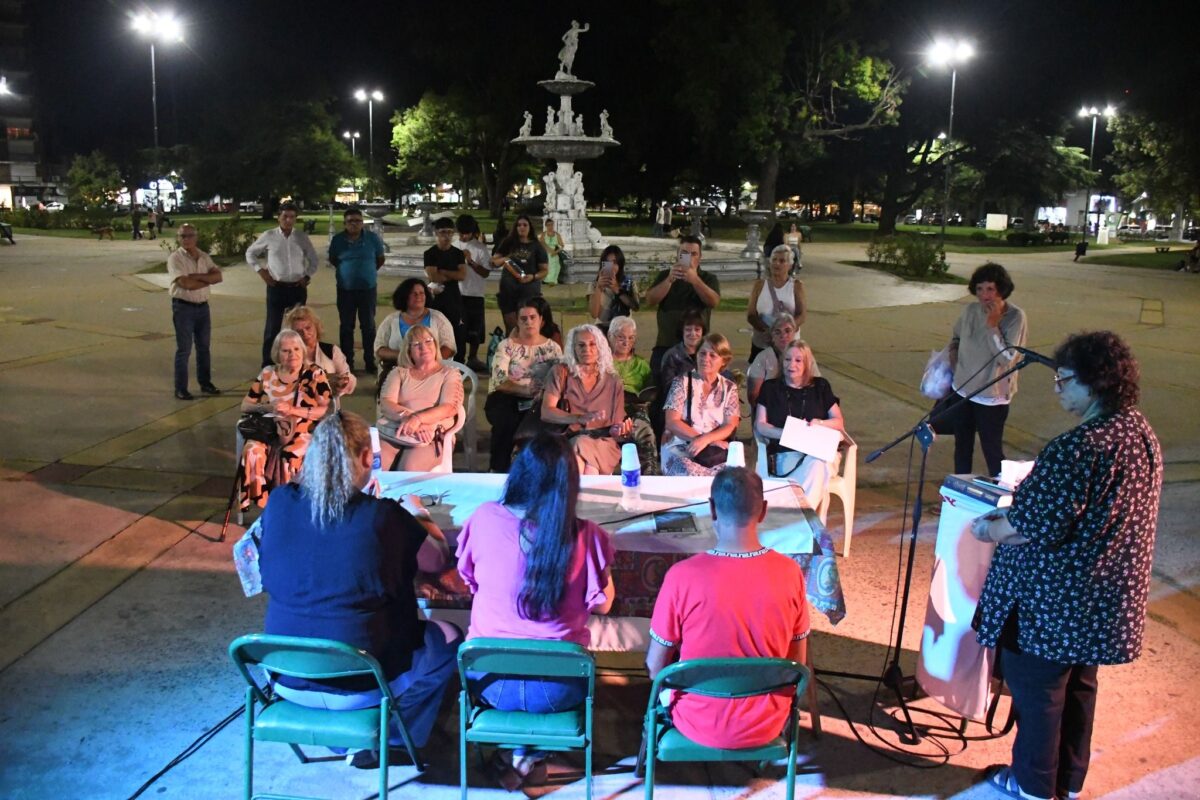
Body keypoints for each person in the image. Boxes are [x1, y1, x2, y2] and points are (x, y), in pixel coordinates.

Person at [970, 331, 1162, 800]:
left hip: (1052, 604)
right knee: (1078, 690)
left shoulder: (1079, 447)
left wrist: (989, 528)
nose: (1056, 388)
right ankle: (1067, 782)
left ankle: (1034, 786)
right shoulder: (1138, 431)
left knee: (1038, 697)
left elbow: (1036, 525)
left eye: (1064, 380)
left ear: (1095, 383)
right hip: (1100, 601)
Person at [259, 410, 462, 762]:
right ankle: (394, 740)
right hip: (362, 680)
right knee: (449, 638)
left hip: (284, 675)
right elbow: (436, 559)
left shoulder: (278, 503)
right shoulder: (381, 516)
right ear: (368, 458)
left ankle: (340, 735)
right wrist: (420, 515)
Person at [456, 432, 614, 788]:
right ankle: (530, 754)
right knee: (565, 675)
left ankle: (518, 752)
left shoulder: (483, 518)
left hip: (489, 681)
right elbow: (604, 603)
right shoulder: (587, 536)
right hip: (559, 688)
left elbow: (471, 582)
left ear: (518, 473)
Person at [645, 467, 810, 749]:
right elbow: (797, 665)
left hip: (697, 719)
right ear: (763, 511)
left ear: (712, 509)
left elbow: (654, 667)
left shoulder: (682, 576)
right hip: (767, 721)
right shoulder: (791, 573)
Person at [943, 263, 1028, 477]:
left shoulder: (1015, 317)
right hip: (962, 390)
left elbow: (1008, 358)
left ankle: (1002, 496)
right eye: (980, 289)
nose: (984, 295)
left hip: (991, 396)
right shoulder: (970, 310)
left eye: (990, 289)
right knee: (962, 446)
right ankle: (959, 492)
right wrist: (953, 353)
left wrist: (992, 325)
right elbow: (956, 337)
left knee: (991, 449)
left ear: (1001, 289)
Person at [239, 329, 333, 509]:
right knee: (252, 450)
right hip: (269, 429)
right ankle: (264, 503)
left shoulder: (314, 374)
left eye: (297, 349)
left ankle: (289, 505)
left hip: (302, 430)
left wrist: (293, 410)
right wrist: (267, 407)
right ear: (277, 353)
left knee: (289, 455)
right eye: (286, 351)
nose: (293, 355)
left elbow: (323, 409)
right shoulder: (267, 373)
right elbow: (245, 405)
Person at [754, 340, 845, 505]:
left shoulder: (821, 386)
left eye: (798, 360)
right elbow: (760, 425)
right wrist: (788, 434)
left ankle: (800, 518)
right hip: (787, 453)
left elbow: (838, 422)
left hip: (820, 452)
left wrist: (820, 423)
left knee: (817, 464)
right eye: (787, 359)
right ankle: (807, 519)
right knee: (816, 470)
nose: (791, 365)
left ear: (807, 363)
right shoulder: (771, 388)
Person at [540, 324, 632, 475]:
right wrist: (578, 418)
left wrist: (621, 430)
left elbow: (615, 428)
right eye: (581, 345)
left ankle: (576, 496)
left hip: (603, 443)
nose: (587, 349)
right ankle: (586, 496)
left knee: (583, 458)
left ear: (600, 347)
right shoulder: (561, 372)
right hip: (570, 438)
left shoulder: (613, 380)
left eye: (592, 344)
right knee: (582, 454)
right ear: (573, 348)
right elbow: (547, 412)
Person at [485, 298, 563, 472]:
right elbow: (499, 381)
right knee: (506, 424)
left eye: (532, 317)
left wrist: (543, 393)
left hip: (541, 399)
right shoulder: (506, 346)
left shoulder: (553, 349)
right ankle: (499, 470)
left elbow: (559, 379)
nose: (528, 322)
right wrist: (525, 389)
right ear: (517, 321)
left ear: (541, 320)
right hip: (507, 396)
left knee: (547, 422)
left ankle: (541, 472)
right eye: (523, 318)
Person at [377, 325, 464, 471]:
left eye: (428, 341)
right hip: (396, 431)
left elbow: (449, 408)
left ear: (436, 345)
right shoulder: (399, 372)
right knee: (374, 467)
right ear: (409, 351)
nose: (424, 347)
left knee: (408, 470)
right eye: (416, 344)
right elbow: (386, 403)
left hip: (432, 436)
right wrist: (411, 419)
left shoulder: (450, 374)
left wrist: (419, 420)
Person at [246, 202, 320, 368]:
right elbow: (250, 253)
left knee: (299, 328)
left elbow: (314, 259)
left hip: (297, 288)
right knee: (272, 328)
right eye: (285, 216)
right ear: (278, 217)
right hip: (276, 287)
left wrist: (307, 276)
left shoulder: (301, 237)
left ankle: (299, 361)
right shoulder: (269, 235)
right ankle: (268, 364)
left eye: (292, 217)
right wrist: (261, 271)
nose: (288, 220)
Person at [661, 333, 740, 477]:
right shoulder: (681, 382)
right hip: (681, 445)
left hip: (714, 448)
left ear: (723, 361)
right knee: (689, 473)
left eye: (712, 355)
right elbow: (672, 422)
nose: (705, 359)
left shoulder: (729, 387)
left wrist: (707, 440)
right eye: (702, 353)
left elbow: (730, 424)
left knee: (732, 475)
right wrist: (699, 439)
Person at [644, 235, 721, 379]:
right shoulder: (666, 275)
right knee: (661, 389)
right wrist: (669, 281)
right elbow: (650, 300)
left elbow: (713, 302)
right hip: (665, 344)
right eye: (685, 254)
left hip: (696, 348)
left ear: (700, 257)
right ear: (678, 255)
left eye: (694, 254)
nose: (690, 258)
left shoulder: (708, 278)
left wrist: (695, 280)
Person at [166, 224, 222, 400]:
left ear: (196, 237)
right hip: (183, 307)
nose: (186, 239)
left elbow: (218, 276)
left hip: (202, 307)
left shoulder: (204, 257)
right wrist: (208, 280)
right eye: (182, 236)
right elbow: (186, 284)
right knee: (184, 349)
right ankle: (181, 388)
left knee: (204, 348)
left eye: (189, 235)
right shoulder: (175, 258)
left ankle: (205, 383)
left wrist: (196, 277)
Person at [328, 206, 386, 374]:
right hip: (345, 290)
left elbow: (380, 259)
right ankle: (347, 362)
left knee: (368, 326)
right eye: (350, 221)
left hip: (367, 289)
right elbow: (333, 259)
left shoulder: (372, 238)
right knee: (346, 326)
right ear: (345, 224)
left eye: (358, 221)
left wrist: (366, 272)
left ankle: (370, 361)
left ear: (362, 222)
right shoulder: (338, 240)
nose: (354, 224)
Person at [374, 278, 456, 388]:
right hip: (396, 375)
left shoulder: (438, 318)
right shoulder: (390, 320)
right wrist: (405, 357)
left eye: (422, 293)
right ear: (404, 297)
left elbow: (449, 347)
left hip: (432, 376)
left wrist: (427, 362)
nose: (419, 296)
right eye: (414, 293)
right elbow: (379, 349)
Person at [608, 315, 659, 475]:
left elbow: (650, 389)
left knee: (645, 432)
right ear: (610, 337)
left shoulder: (641, 364)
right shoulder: (602, 362)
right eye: (621, 337)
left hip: (635, 409)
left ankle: (649, 476)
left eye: (631, 338)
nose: (626, 342)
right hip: (608, 409)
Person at [747, 245, 807, 363]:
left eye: (782, 260)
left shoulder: (796, 286)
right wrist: (768, 331)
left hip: (788, 346)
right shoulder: (759, 285)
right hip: (761, 344)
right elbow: (751, 314)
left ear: (789, 265)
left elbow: (802, 315)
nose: (777, 264)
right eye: (774, 260)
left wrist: (784, 332)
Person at [491, 215, 549, 333]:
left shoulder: (537, 246)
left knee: (527, 329)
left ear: (530, 227)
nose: (521, 227)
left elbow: (544, 270)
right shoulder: (508, 242)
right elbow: (494, 262)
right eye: (519, 225)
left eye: (525, 225)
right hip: (508, 292)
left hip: (529, 293)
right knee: (512, 329)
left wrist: (533, 277)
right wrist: (504, 260)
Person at [282, 305, 356, 398]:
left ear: (316, 326)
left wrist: (345, 381)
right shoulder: (287, 356)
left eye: (308, 328)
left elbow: (349, 377)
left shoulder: (332, 351)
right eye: (299, 331)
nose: (305, 333)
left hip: (330, 408)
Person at [424, 217, 467, 361]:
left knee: (457, 330)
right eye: (443, 232)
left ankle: (459, 362)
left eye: (449, 232)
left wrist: (443, 272)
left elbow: (462, 275)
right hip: (436, 298)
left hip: (453, 297)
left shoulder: (458, 253)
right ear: (436, 233)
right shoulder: (430, 253)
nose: (446, 236)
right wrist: (450, 274)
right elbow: (434, 277)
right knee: (435, 331)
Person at [456, 214, 493, 371]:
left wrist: (470, 262)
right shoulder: (453, 245)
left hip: (475, 293)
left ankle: (473, 357)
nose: (464, 236)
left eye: (467, 233)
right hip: (457, 294)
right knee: (458, 328)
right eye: (461, 233)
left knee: (475, 329)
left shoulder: (480, 248)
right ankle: (458, 358)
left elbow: (486, 273)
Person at [746, 313, 807, 408]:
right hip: (770, 409)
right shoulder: (763, 358)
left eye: (787, 331)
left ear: (794, 333)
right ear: (772, 337)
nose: (783, 335)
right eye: (777, 332)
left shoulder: (804, 355)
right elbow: (753, 396)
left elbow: (814, 385)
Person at [587, 244, 640, 331]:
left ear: (620, 264)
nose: (611, 267)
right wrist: (599, 288)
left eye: (615, 263)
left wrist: (617, 289)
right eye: (608, 263)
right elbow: (594, 314)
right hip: (602, 328)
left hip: (624, 330)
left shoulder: (629, 282)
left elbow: (635, 307)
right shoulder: (594, 285)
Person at [539, 217, 564, 286]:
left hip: (554, 253)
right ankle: (546, 280)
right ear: (546, 226)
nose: (550, 226)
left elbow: (562, 246)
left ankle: (552, 281)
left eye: (552, 225)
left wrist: (556, 252)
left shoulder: (557, 235)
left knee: (555, 265)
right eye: (548, 225)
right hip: (545, 253)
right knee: (547, 263)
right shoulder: (543, 234)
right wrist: (549, 250)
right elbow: (541, 244)